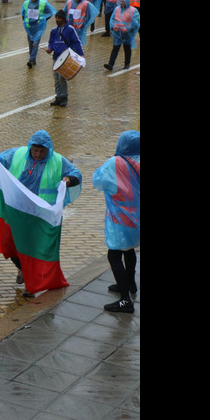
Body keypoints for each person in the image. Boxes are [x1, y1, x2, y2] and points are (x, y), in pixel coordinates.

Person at [0, 130, 81, 291]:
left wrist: (69, 179)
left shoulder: (58, 161)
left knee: (34, 247)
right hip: (16, 211)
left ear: (48, 150)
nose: (37, 154)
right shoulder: (18, 154)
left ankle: (32, 280)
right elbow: (1, 158)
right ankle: (23, 268)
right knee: (9, 244)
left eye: (42, 151)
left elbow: (75, 174)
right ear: (30, 147)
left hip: (40, 215)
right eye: (35, 150)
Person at [93, 130, 140, 314]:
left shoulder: (116, 163)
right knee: (129, 249)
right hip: (137, 217)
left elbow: (98, 180)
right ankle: (130, 283)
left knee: (114, 255)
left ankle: (125, 300)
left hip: (121, 218)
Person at [45, 10, 84, 107]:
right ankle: (58, 97)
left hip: (65, 58)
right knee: (56, 79)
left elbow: (76, 42)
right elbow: (51, 42)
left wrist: (81, 54)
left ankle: (64, 97)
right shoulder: (54, 30)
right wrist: (50, 48)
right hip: (56, 57)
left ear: (63, 19)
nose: (57, 20)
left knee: (62, 78)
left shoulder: (70, 29)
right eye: (56, 18)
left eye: (59, 18)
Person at [21, 0, 55, 68]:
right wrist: (25, 23)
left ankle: (31, 60)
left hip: (39, 28)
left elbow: (51, 12)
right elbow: (23, 13)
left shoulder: (43, 3)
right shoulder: (26, 3)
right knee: (30, 44)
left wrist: (44, 19)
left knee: (35, 43)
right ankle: (33, 59)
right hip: (30, 28)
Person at [104, 0, 139, 71]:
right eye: (121, 1)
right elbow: (112, 19)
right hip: (117, 32)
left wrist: (129, 29)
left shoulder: (133, 10)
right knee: (115, 48)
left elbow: (136, 23)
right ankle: (110, 64)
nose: (122, 3)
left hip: (127, 33)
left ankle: (127, 64)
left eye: (123, 1)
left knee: (127, 48)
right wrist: (112, 26)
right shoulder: (117, 9)